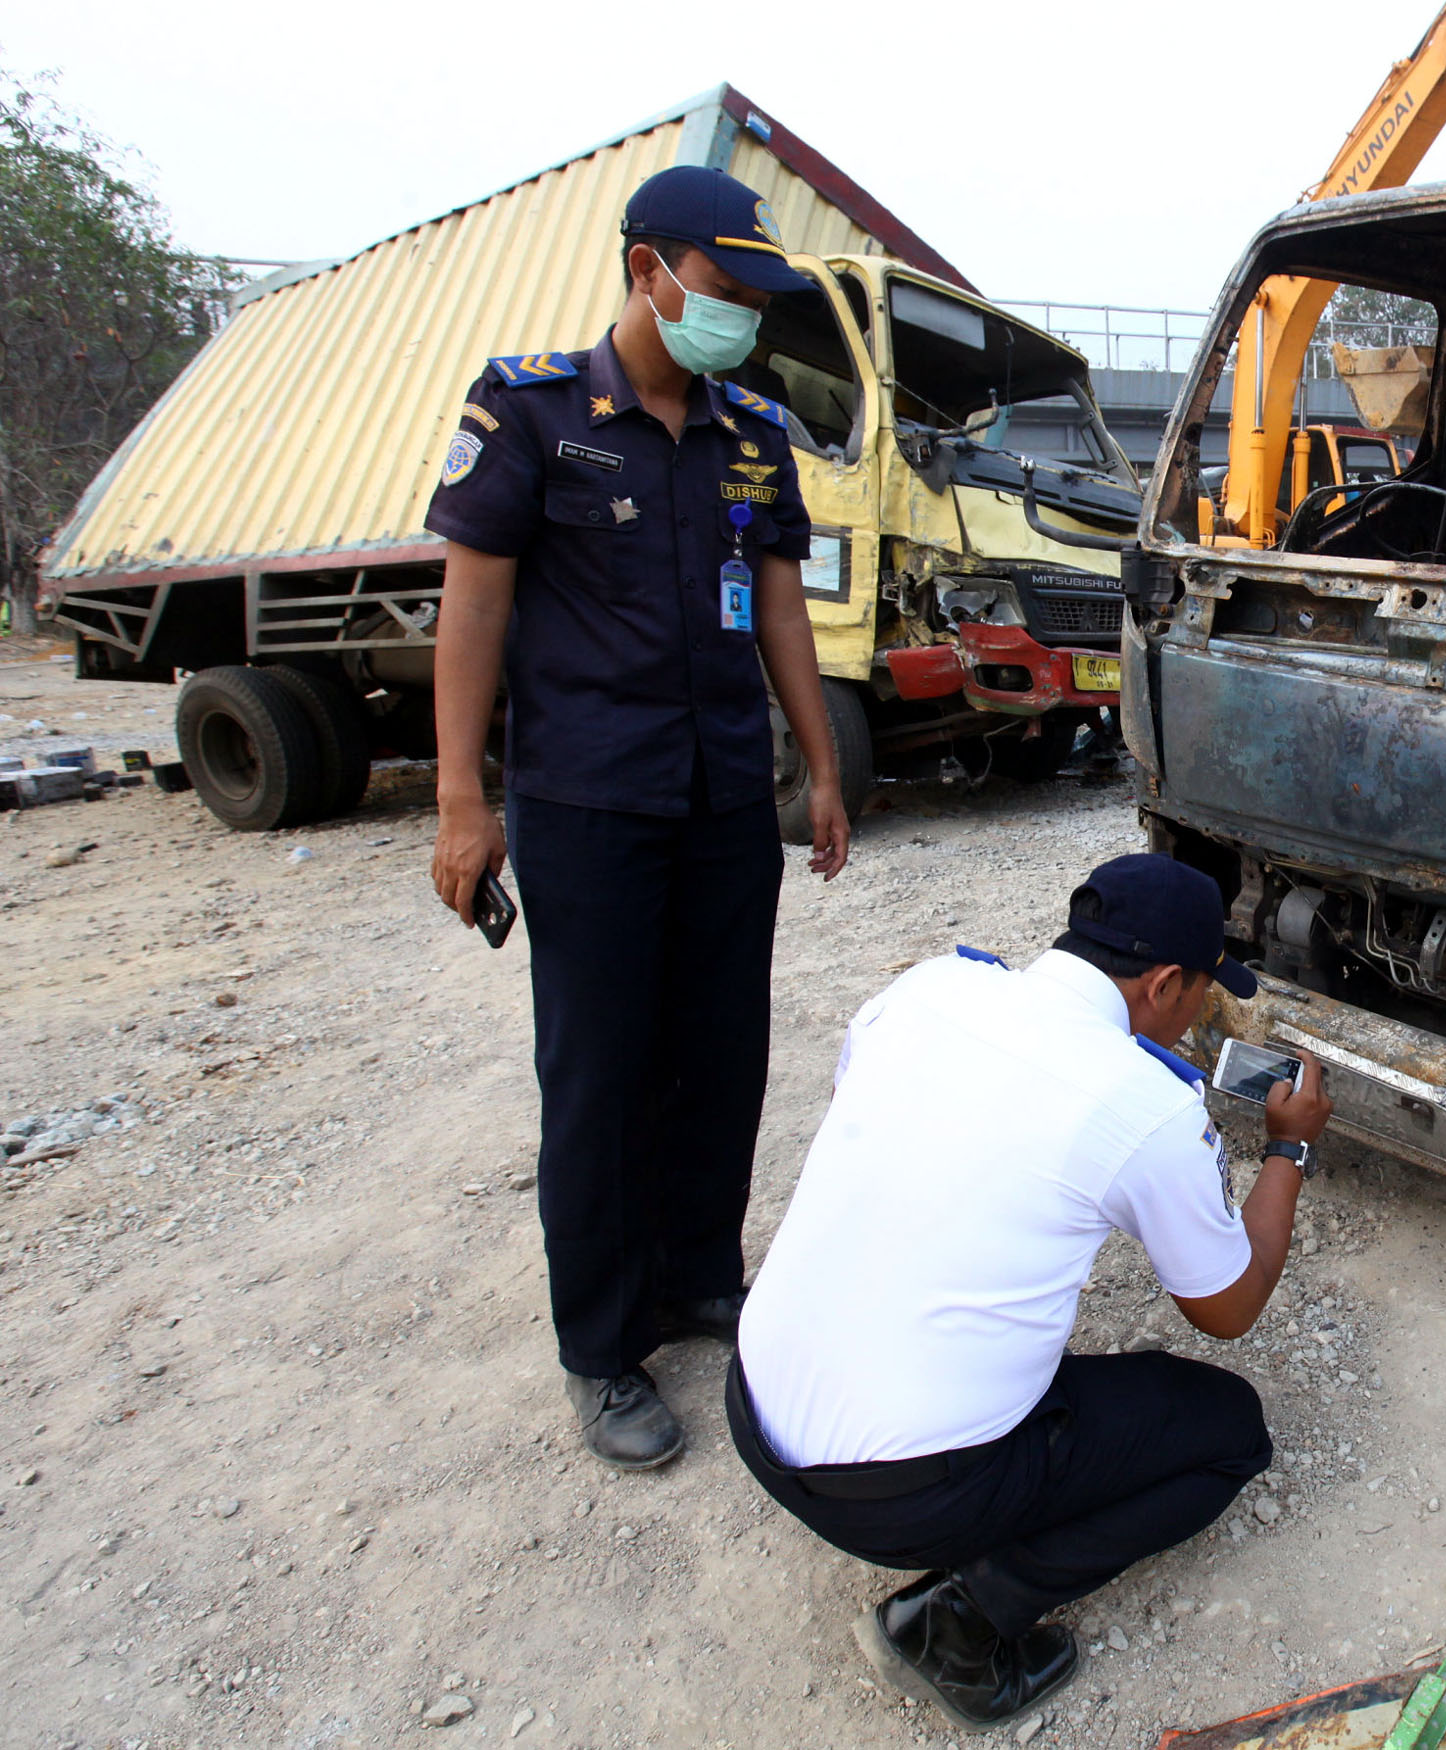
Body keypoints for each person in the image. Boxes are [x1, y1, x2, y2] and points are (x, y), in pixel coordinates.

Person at [424, 164, 853, 1471]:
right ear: (648, 269)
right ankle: (603, 1346)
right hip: (588, 802)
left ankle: (695, 1277)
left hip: (723, 794)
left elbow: (781, 609)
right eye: (720, 292)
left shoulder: (749, 431)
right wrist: (459, 797)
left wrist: (821, 771)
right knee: (602, 1075)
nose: (734, 320)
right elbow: (475, 606)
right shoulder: (536, 415)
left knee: (720, 1052)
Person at [728, 853, 1333, 1730]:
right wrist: (1289, 1148)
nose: (1205, 1010)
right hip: (899, 1498)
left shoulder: (932, 987)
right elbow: (1229, 1310)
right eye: (1206, 991)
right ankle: (960, 1623)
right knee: (1227, 1430)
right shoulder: (1143, 1103)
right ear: (1164, 982)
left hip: (754, 1408)